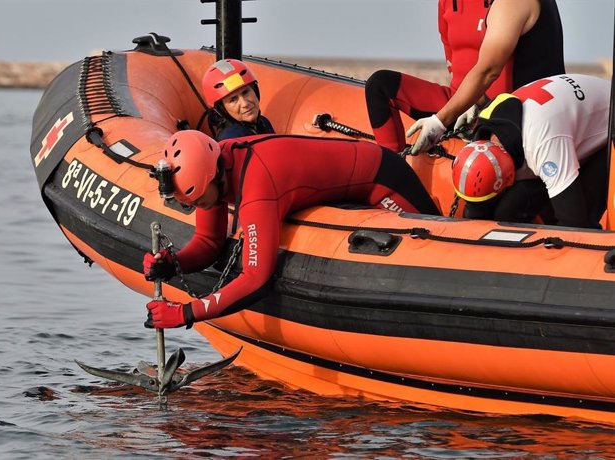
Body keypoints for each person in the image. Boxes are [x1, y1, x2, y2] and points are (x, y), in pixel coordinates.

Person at [142, 131, 441, 329]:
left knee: (434, 248)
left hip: (384, 179)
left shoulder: (257, 186)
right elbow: (209, 241)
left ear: (212, 175)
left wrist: (186, 314)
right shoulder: (217, 166)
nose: (198, 207)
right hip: (354, 182)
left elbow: (256, 279)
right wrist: (172, 263)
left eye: (197, 200)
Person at [365, 0, 564, 155]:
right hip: (465, 106)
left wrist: (439, 122)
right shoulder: (447, 3)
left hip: (510, 114)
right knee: (380, 85)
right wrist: (467, 103)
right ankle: (391, 170)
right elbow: (454, 62)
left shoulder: (512, 4)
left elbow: (489, 70)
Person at [451, 73, 610, 229]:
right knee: (507, 211)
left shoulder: (543, 144)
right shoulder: (485, 129)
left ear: (511, 177)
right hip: (567, 121)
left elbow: (574, 223)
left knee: (582, 217)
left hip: (606, 129)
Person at [202, 59, 275, 141]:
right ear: (222, 109)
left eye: (245, 92)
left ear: (255, 90)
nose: (245, 104)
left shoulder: (264, 122)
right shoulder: (231, 140)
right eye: (233, 100)